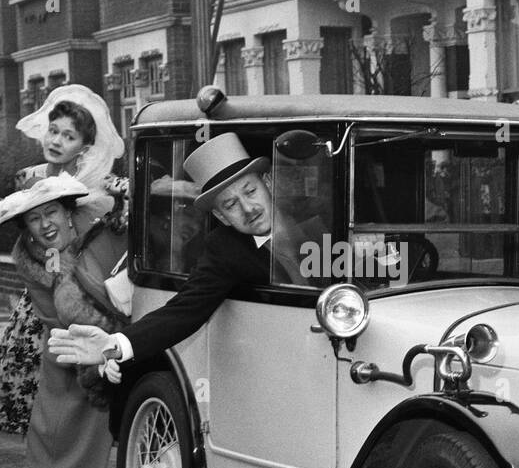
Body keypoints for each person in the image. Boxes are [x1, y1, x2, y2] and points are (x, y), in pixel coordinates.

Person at [47, 132, 317, 374]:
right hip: (285, 363)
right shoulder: (225, 249)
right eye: (231, 204)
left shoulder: (323, 221)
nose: (248, 208)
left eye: (250, 191)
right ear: (220, 216)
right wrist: (114, 345)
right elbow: (184, 311)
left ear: (268, 182)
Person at [0, 176, 126, 468]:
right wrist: (82, 354)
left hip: (119, 340)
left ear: (68, 213)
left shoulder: (102, 232)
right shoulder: (30, 258)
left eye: (51, 212)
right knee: (47, 424)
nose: (45, 224)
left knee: (104, 419)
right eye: (34, 219)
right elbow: (51, 316)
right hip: (65, 345)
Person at [0, 84, 124, 443]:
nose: (57, 140)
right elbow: (26, 237)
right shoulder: (29, 179)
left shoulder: (100, 185)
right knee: (34, 388)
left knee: (75, 395)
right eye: (53, 130)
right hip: (41, 296)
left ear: (84, 146)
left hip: (82, 296)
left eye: (69, 136)